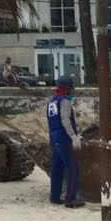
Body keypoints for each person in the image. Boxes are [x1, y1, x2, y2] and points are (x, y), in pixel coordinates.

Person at [46, 74, 86, 208]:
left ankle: (55, 196)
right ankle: (70, 198)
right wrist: (73, 136)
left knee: (57, 168)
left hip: (54, 138)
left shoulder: (52, 102)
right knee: (73, 167)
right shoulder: (65, 102)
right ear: (67, 89)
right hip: (63, 139)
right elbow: (65, 120)